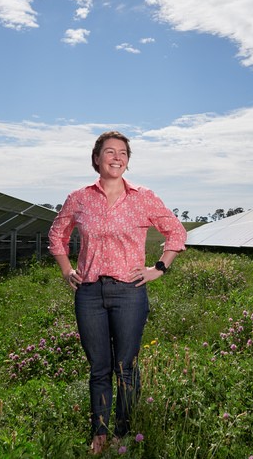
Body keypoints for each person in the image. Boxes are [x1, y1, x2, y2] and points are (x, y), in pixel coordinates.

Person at [48, 130, 187, 454]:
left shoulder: (143, 197)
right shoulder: (79, 198)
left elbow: (176, 232)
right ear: (96, 158)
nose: (116, 157)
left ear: (128, 160)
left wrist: (159, 268)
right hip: (90, 294)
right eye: (109, 152)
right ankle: (100, 432)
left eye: (123, 153)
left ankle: (124, 431)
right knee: (99, 367)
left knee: (126, 365)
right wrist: (67, 269)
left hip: (130, 293)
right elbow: (57, 235)